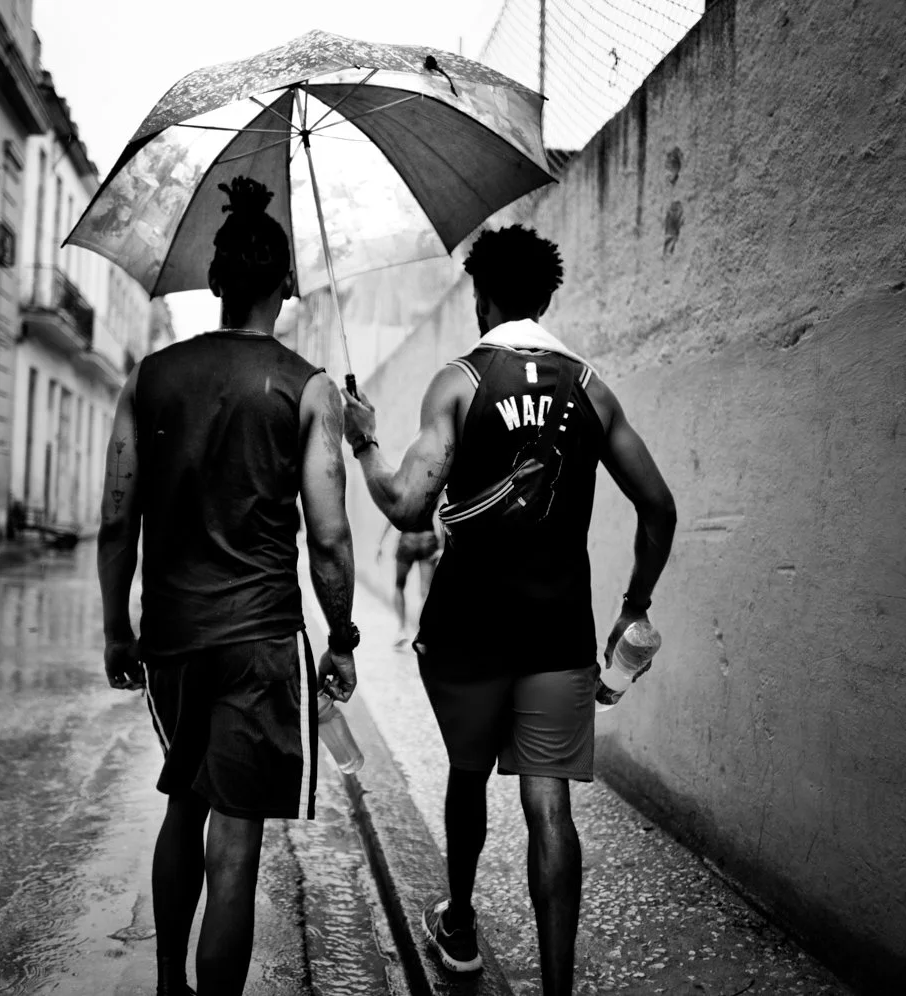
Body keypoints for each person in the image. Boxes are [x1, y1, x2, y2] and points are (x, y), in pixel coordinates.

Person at [341, 225, 676, 996]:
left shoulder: (459, 381)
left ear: (479, 296)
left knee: (465, 777)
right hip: (558, 634)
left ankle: (458, 924)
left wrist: (364, 442)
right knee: (549, 804)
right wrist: (632, 608)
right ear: (548, 296)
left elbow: (406, 506)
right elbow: (659, 510)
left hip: (467, 634)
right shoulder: (592, 388)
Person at [98, 176, 360, 996]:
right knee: (235, 837)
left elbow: (116, 519)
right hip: (258, 641)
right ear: (286, 286)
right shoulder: (308, 387)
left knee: (183, 800)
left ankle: (169, 985)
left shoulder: (148, 379)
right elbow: (329, 540)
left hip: (172, 638)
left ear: (214, 283)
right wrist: (343, 638)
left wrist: (117, 628)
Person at [377, 514, 443, 647]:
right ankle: (422, 633)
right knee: (426, 592)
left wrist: (380, 541)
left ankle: (402, 630)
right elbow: (442, 514)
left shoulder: (405, 491)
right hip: (428, 538)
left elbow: (393, 514)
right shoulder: (433, 491)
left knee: (399, 586)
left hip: (407, 539)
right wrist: (442, 545)